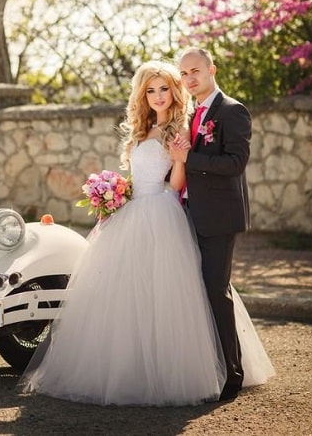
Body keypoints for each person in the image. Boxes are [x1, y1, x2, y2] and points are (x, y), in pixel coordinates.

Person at [18, 60, 273, 407]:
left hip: (162, 211)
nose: (158, 96)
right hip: (133, 210)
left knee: (168, 295)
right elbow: (140, 176)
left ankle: (190, 371)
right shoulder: (142, 129)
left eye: (164, 89)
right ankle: (130, 367)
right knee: (127, 295)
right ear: (142, 95)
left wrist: (181, 160)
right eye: (151, 90)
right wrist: (116, 194)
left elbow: (176, 184)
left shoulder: (180, 129)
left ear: (175, 91)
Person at [170, 47, 255, 401]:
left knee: (215, 291)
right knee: (192, 293)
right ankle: (207, 367)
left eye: (196, 71)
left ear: (211, 69)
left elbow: (236, 162)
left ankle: (232, 374)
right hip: (187, 212)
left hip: (219, 217)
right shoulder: (189, 112)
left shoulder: (232, 111)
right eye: (184, 74)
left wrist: (190, 158)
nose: (190, 79)